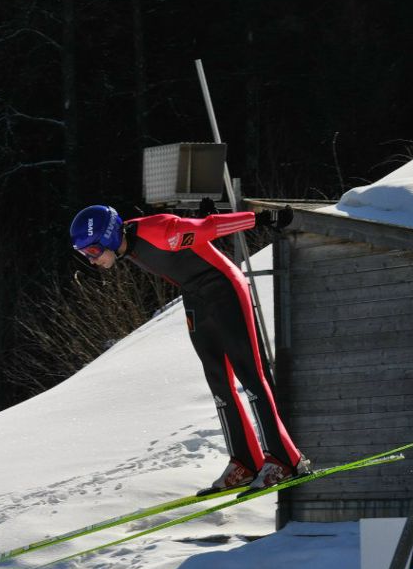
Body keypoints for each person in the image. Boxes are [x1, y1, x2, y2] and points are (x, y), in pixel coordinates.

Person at [69, 202, 308, 494]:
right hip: (196, 297)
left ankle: (285, 460)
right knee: (218, 380)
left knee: (250, 374)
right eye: (84, 254)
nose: (91, 260)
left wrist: (261, 219)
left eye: (91, 251)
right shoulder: (125, 243)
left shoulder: (158, 231)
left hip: (225, 289)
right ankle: (245, 462)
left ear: (106, 237)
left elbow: (209, 227)